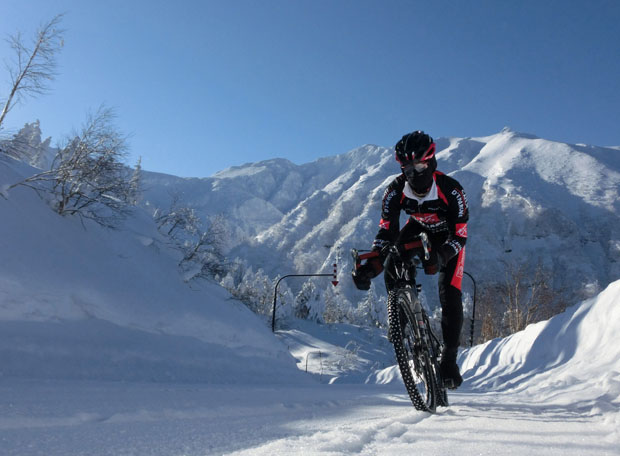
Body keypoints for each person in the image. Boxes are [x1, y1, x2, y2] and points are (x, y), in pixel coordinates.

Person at [352, 130, 469, 388]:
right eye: (407, 166)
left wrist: (442, 256)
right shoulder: (394, 192)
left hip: (448, 240)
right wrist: (371, 268)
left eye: (419, 164)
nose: (414, 171)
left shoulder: (451, 190)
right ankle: (405, 320)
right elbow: (386, 232)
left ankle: (449, 360)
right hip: (417, 230)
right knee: (393, 260)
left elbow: (460, 235)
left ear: (432, 162)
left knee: (449, 293)